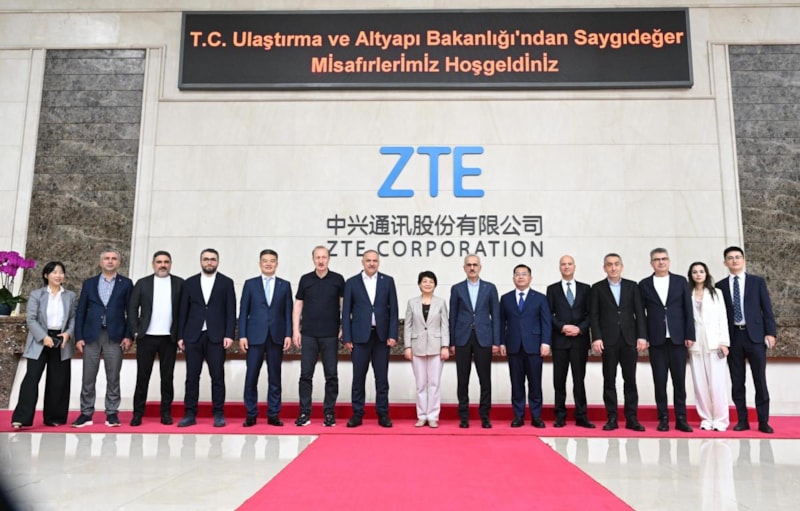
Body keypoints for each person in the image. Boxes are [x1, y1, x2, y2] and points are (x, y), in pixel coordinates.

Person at [715, 246, 777, 434]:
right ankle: (742, 420)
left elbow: (767, 309)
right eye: (730, 258)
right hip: (733, 337)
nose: (734, 260)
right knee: (737, 381)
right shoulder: (720, 286)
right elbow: (718, 316)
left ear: (744, 260)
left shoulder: (757, 282)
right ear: (725, 262)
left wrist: (770, 333)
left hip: (755, 337)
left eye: (737, 257)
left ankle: (763, 421)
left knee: (760, 380)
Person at [71, 249, 133, 428]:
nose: (110, 261)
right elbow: (81, 311)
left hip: (115, 336)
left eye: (114, 258)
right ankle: (86, 413)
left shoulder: (126, 283)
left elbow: (131, 311)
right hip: (91, 335)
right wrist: (79, 336)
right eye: (107, 258)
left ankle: (112, 413)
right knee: (88, 376)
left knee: (113, 376)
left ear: (118, 262)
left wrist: (128, 335)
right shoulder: (89, 283)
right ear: (101, 262)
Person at [11, 261, 76, 429]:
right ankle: (21, 418)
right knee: (31, 379)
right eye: (54, 272)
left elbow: (73, 318)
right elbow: (31, 319)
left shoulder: (70, 295)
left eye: (61, 272)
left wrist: (68, 333)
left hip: (61, 340)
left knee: (58, 381)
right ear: (46, 275)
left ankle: (54, 417)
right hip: (40, 340)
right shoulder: (37, 294)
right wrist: (44, 337)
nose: (58, 275)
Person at [177, 248, 236, 428]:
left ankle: (218, 413)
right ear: (201, 261)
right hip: (193, 336)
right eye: (206, 259)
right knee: (192, 377)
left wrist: (229, 334)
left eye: (212, 259)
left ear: (218, 262)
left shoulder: (226, 282)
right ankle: (190, 413)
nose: (209, 262)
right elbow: (183, 311)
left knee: (217, 376)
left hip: (216, 337)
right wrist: (180, 336)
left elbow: (231, 311)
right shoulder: (190, 283)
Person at [639, 248, 695, 433]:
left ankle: (681, 418)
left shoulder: (680, 281)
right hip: (656, 340)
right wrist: (644, 336)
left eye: (664, 259)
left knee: (679, 381)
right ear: (651, 263)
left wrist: (690, 334)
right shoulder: (644, 284)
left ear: (669, 261)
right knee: (660, 381)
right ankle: (663, 418)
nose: (661, 262)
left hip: (678, 339)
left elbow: (688, 310)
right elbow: (641, 314)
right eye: (657, 259)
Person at [590, 253, 647, 432]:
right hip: (608, 341)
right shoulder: (597, 288)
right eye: (609, 264)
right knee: (609, 380)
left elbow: (640, 313)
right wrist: (596, 337)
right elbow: (594, 316)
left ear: (621, 266)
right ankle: (612, 418)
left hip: (629, 340)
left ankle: (632, 418)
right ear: (604, 268)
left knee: (630, 380)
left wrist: (642, 336)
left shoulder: (632, 286)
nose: (613, 267)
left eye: (616, 264)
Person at [341, 249, 399, 428]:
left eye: (375, 260)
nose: (372, 263)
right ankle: (357, 414)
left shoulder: (387, 281)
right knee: (358, 378)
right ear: (362, 262)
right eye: (368, 260)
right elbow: (346, 312)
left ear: (378, 262)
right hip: (359, 338)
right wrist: (347, 337)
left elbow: (394, 310)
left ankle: (383, 414)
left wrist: (392, 334)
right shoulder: (352, 282)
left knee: (381, 378)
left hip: (381, 337)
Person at [127, 250, 184, 426]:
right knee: (142, 377)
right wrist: (135, 331)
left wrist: (181, 335)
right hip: (147, 337)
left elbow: (184, 311)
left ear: (170, 264)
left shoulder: (179, 283)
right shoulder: (142, 283)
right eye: (159, 262)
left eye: (166, 262)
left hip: (169, 338)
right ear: (153, 264)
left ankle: (166, 413)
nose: (162, 265)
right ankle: (137, 414)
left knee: (167, 378)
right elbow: (132, 308)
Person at [239, 249, 293, 427]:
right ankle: (251, 414)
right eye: (265, 261)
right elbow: (243, 311)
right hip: (254, 337)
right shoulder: (250, 284)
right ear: (260, 263)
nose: (268, 264)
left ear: (277, 264)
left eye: (272, 261)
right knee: (251, 376)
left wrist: (288, 334)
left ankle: (273, 414)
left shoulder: (285, 285)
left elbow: (288, 312)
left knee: (275, 377)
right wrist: (242, 335)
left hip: (276, 337)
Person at [293, 245, 345, 428]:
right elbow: (298, 306)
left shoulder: (338, 279)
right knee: (305, 375)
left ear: (329, 259)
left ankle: (329, 413)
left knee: (331, 376)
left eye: (324, 257)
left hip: (330, 335)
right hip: (308, 335)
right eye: (318, 257)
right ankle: (304, 413)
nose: (321, 261)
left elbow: (344, 306)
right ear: (313, 259)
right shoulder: (305, 279)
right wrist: (295, 331)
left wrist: (343, 327)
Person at [449, 254, 501, 429]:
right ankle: (463, 416)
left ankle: (485, 416)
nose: (472, 268)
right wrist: (452, 342)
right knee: (462, 379)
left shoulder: (490, 288)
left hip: (484, 338)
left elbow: (496, 316)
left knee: (484, 379)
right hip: (462, 338)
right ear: (464, 268)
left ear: (480, 267)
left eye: (475, 265)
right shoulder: (457, 288)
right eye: (469, 265)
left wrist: (496, 341)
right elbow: (452, 316)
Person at [499, 264, 552, 428]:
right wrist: (501, 342)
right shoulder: (506, 298)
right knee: (516, 383)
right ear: (513, 278)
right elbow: (501, 322)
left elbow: (546, 322)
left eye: (524, 274)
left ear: (530, 278)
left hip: (534, 346)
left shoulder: (540, 298)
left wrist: (546, 342)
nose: (520, 277)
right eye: (517, 274)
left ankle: (536, 416)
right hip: (513, 346)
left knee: (535, 383)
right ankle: (518, 416)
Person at [546, 255, 595, 428]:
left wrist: (580, 328)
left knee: (579, 380)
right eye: (563, 264)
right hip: (560, 341)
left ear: (574, 267)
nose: (566, 267)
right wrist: (562, 327)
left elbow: (591, 314)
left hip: (579, 341)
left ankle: (581, 415)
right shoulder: (552, 289)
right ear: (559, 267)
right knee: (559, 381)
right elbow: (548, 314)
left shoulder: (585, 288)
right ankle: (560, 416)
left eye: (569, 264)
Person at [687, 262, 731, 431]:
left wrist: (724, 342)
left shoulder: (716, 293)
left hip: (715, 344)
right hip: (696, 344)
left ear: (706, 274)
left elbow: (723, 318)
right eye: (695, 272)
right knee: (700, 385)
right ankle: (706, 419)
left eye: (701, 271)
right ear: (691, 275)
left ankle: (720, 420)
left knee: (717, 384)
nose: (698, 274)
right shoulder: (687, 293)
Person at [403, 270, 450, 428]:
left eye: (431, 281)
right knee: (421, 384)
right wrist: (408, 346)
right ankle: (422, 415)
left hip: (436, 347)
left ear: (435, 284)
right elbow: (408, 326)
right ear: (419, 284)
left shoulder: (441, 302)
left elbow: (445, 325)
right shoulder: (412, 302)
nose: (427, 284)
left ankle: (433, 415)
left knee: (434, 383)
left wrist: (445, 346)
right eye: (424, 281)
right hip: (417, 347)